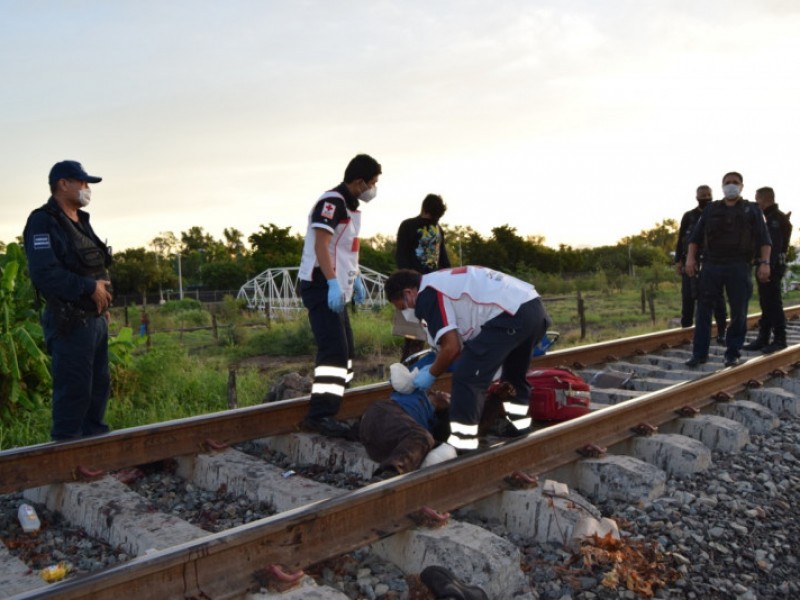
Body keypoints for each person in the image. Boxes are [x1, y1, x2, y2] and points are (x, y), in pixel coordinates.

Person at [384, 266, 551, 452]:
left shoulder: (427, 295)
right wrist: (437, 361)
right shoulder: (440, 281)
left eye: (402, 307)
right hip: (533, 308)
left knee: (467, 375)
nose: (408, 312)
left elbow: (452, 347)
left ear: (409, 293)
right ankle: (520, 426)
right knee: (513, 372)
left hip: (511, 315)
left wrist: (431, 374)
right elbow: (458, 343)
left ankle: (463, 441)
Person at [23, 160, 114, 441]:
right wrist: (89, 289)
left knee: (99, 388)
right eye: (83, 182)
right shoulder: (43, 221)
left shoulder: (82, 220)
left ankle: (93, 447)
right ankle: (67, 454)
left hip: (94, 321)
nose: (87, 189)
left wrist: (101, 303)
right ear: (63, 184)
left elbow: (91, 266)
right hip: (69, 322)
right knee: (74, 391)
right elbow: (45, 273)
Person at [298, 154, 382, 438]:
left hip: (337, 285)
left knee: (346, 351)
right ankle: (320, 415)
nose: (374, 188)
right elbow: (322, 246)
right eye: (372, 182)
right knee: (334, 351)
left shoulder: (350, 206)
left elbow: (344, 250)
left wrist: (353, 279)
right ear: (359, 181)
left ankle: (332, 402)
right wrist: (333, 283)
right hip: (321, 285)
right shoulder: (332, 203)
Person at [684, 171, 772, 368]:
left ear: (741, 186)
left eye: (735, 182)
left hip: (739, 265)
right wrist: (690, 258)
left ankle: (732, 352)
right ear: (722, 186)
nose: (731, 185)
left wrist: (765, 264)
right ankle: (699, 354)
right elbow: (695, 238)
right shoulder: (711, 209)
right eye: (727, 182)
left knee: (739, 311)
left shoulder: (752, 210)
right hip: (711, 265)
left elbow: (765, 240)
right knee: (704, 311)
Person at [359, 363, 453, 479]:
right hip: (383, 412)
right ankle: (390, 474)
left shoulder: (431, 422)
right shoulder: (417, 389)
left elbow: (442, 435)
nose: (446, 393)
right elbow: (404, 374)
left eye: (449, 398)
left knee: (423, 437)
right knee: (421, 436)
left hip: (380, 444)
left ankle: (388, 475)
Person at [394, 193, 451, 360]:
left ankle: (408, 371)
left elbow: (401, 258)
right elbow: (444, 262)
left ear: (423, 208)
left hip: (412, 288)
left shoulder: (408, 226)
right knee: (431, 335)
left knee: (413, 339)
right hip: (431, 288)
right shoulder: (437, 229)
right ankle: (416, 368)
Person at [674, 185, 728, 343]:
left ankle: (721, 332)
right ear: (696, 196)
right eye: (702, 195)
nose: (705, 197)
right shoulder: (689, 216)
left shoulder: (719, 215)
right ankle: (686, 332)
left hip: (713, 263)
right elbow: (680, 240)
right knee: (687, 299)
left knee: (717, 299)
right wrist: (678, 261)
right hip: (690, 263)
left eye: (708, 195)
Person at [744, 187, 792, 353]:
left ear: (764, 200)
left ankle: (780, 339)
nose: (756, 203)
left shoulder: (774, 220)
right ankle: (763, 338)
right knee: (766, 302)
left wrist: (766, 266)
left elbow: (774, 246)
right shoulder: (773, 218)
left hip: (771, 266)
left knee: (773, 302)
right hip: (768, 265)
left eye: (757, 199)